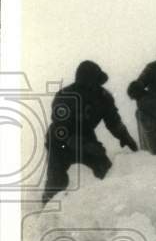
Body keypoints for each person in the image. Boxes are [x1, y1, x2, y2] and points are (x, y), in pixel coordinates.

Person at [42, 60, 138, 206]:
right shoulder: (65, 96)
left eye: (96, 82)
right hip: (60, 141)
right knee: (56, 180)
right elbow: (60, 126)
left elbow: (113, 120)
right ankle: (48, 210)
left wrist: (125, 137)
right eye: (89, 82)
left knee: (105, 168)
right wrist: (82, 144)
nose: (93, 86)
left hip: (86, 137)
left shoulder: (104, 97)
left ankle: (108, 204)